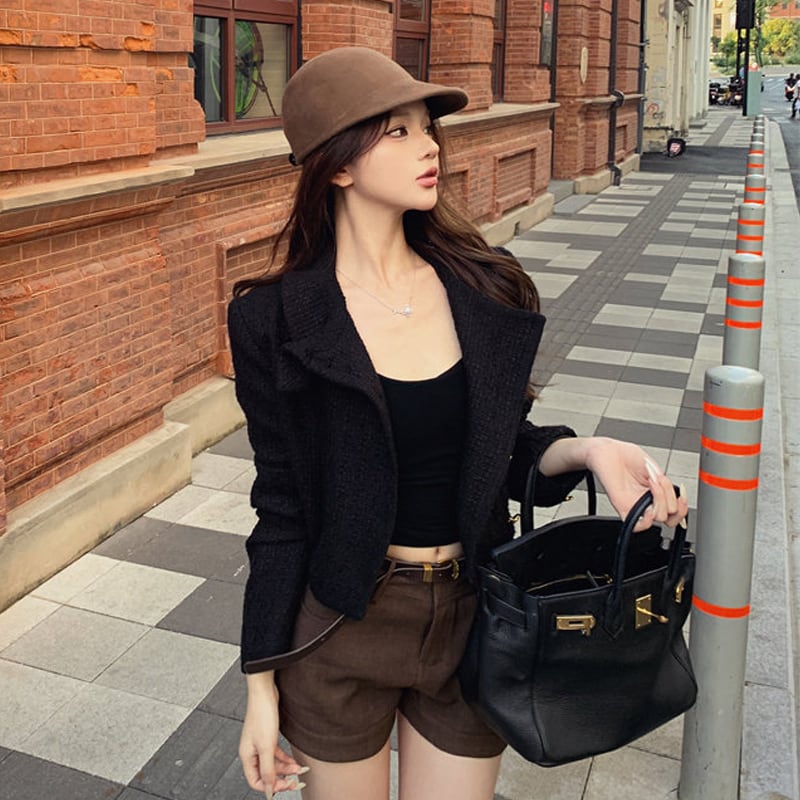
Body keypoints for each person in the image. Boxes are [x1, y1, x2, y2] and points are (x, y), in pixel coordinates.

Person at [228, 46, 689, 800]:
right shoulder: (274, 318)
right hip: (344, 623)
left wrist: (590, 451)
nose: (430, 147)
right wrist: (259, 684)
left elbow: (502, 453)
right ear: (337, 167)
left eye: (427, 128)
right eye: (398, 131)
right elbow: (280, 508)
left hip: (477, 614)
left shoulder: (483, 285)